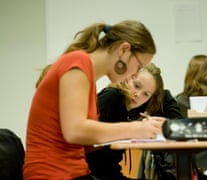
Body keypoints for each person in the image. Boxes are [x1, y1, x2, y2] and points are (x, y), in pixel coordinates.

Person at [23, 20, 166, 180]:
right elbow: (74, 131)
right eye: (139, 67)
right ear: (123, 49)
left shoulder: (87, 75)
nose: (134, 74)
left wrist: (141, 132)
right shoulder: (78, 62)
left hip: (71, 171)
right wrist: (135, 129)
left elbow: (83, 142)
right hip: (52, 173)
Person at [86, 63, 182, 180]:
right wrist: (132, 130)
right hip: (92, 174)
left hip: (109, 173)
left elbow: (176, 120)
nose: (138, 95)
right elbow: (89, 141)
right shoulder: (112, 96)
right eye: (136, 86)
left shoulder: (129, 109)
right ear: (128, 79)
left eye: (146, 94)